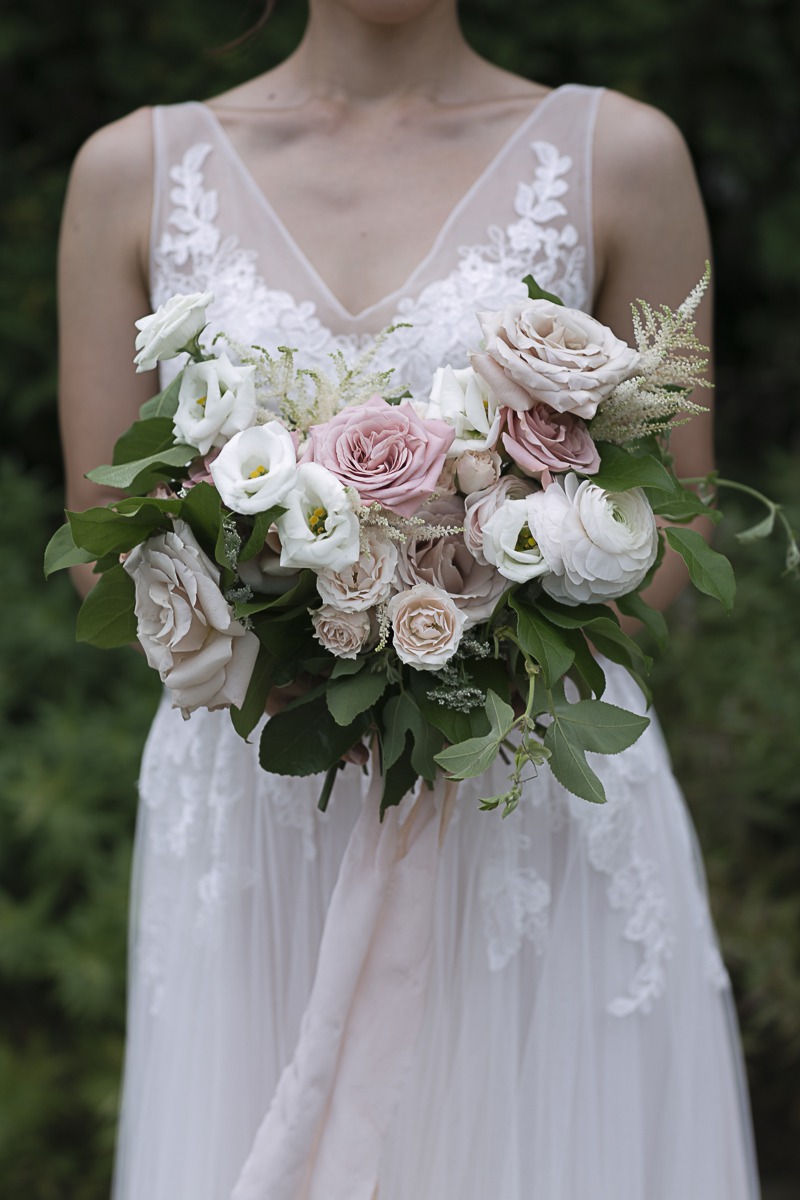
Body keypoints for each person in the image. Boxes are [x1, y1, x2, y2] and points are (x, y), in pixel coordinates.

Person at [58, 2, 761, 1197]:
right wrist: (306, 632)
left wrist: (466, 621)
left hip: (520, 793)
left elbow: (673, 532)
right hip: (260, 792)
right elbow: (98, 544)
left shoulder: (619, 155)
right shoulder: (132, 170)